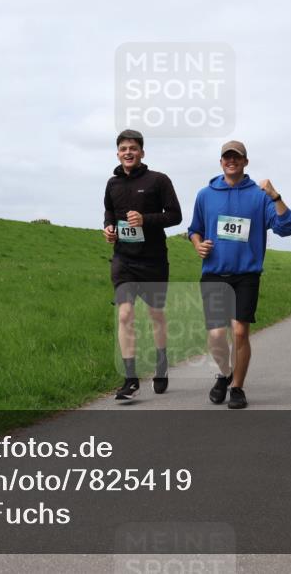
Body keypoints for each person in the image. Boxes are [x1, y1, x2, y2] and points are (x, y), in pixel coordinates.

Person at [188, 140, 291, 409]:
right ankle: (224, 374)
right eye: (227, 157)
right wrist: (198, 244)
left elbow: (287, 227)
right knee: (215, 335)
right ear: (221, 161)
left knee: (239, 332)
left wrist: (275, 196)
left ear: (245, 162)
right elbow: (194, 229)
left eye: (237, 157)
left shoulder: (259, 196)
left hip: (246, 274)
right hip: (214, 273)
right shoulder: (205, 194)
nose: (231, 161)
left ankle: (237, 387)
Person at [104, 129, 182, 401]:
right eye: (123, 148)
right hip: (124, 260)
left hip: (153, 261)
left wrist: (145, 219)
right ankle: (130, 379)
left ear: (142, 152)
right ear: (118, 153)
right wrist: (109, 228)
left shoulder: (158, 181)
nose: (128, 152)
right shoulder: (112, 184)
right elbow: (109, 212)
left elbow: (175, 216)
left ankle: (161, 364)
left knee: (155, 316)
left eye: (133, 148)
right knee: (125, 315)